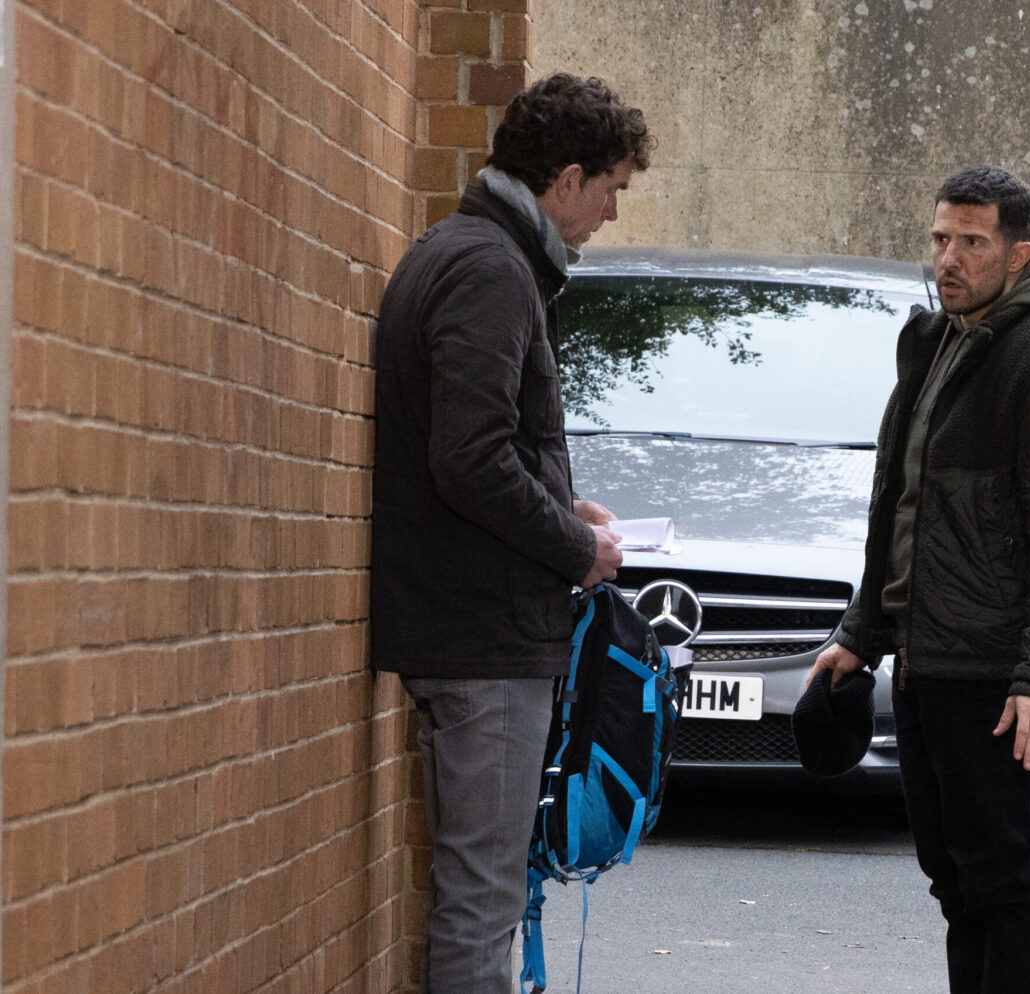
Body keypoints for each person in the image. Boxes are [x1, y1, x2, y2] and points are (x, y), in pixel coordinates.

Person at [809, 165, 1030, 993]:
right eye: (940, 239)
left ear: (1018, 255)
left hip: (994, 678)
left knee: (1006, 887)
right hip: (926, 663)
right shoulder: (945, 343)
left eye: (972, 243)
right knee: (957, 886)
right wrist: (859, 634)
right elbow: (904, 509)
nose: (949, 259)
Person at [369, 73, 653, 994]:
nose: (611, 211)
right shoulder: (491, 270)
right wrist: (580, 551)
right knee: (483, 900)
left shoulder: (467, 253)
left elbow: (471, 446)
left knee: (478, 893)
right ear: (566, 180)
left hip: (468, 622)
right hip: (482, 638)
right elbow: (470, 460)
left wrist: (563, 506)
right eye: (611, 187)